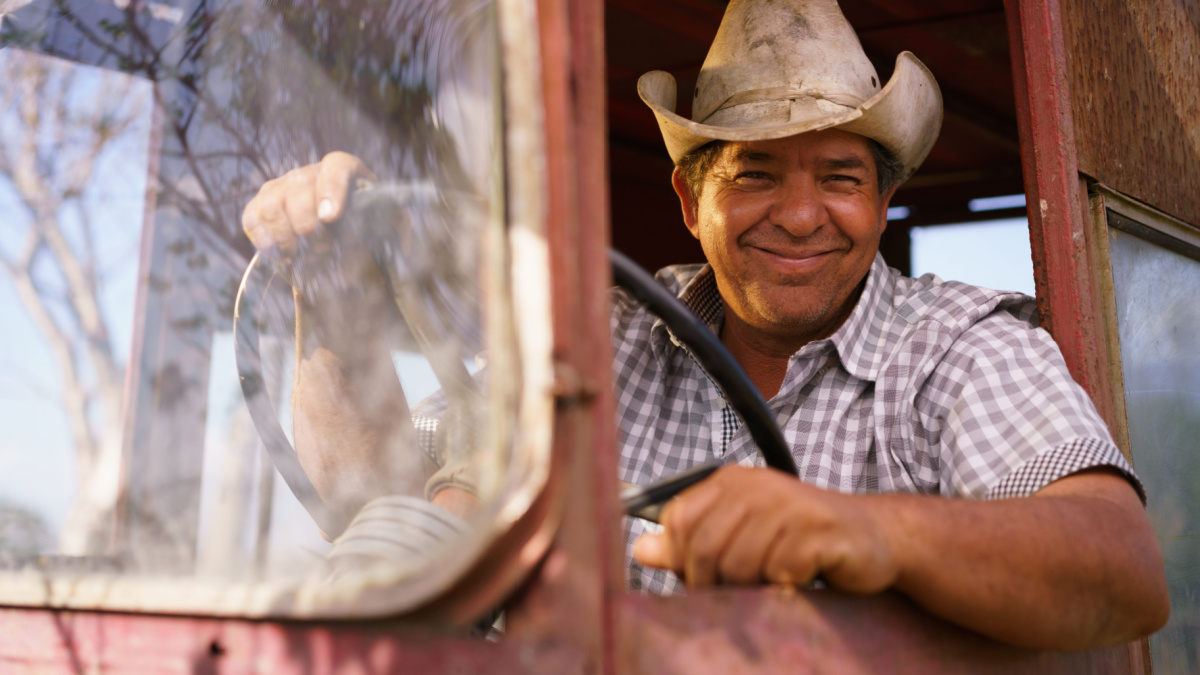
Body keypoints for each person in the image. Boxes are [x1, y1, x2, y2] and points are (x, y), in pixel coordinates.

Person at [241, 0, 1168, 651]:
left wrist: (861, 532)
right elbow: (391, 507)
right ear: (691, 201)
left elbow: (1121, 568)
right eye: (755, 173)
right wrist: (329, 305)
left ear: (882, 203)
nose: (801, 214)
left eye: (839, 176)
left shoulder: (958, 346)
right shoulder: (603, 335)